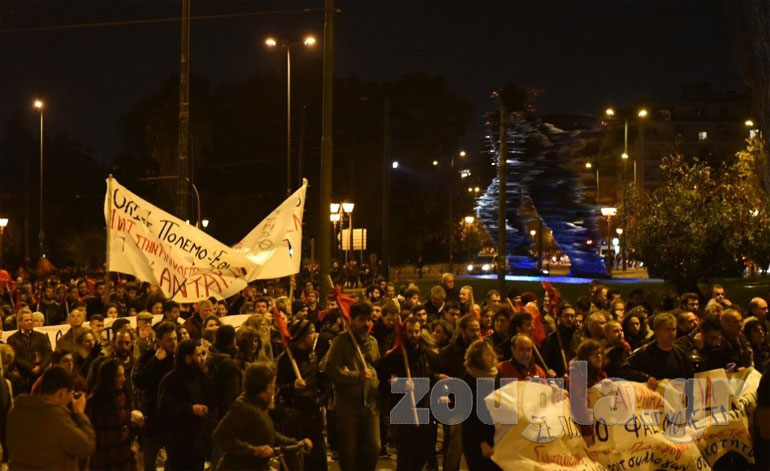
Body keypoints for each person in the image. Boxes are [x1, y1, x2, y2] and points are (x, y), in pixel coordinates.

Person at [213, 362, 312, 471]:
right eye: (273, 383)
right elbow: (220, 435)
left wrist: (296, 443)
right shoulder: (244, 407)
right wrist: (255, 450)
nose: (274, 387)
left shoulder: (260, 406)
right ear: (267, 387)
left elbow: (268, 433)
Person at [378, 316, 443, 471]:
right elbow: (383, 382)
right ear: (404, 332)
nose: (413, 335)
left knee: (425, 451)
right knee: (406, 455)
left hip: (426, 410)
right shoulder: (394, 357)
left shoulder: (430, 356)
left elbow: (435, 376)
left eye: (416, 331)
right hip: (403, 411)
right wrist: (399, 384)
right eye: (409, 331)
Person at [322, 302, 380, 471]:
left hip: (370, 404)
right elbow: (330, 370)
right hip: (348, 405)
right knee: (349, 449)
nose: (366, 324)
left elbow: (375, 365)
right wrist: (355, 376)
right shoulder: (341, 341)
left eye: (369, 320)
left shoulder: (372, 341)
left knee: (373, 447)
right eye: (361, 320)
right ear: (352, 320)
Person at [7, 366, 95, 471]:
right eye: (70, 394)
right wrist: (80, 414)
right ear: (62, 393)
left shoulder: (17, 410)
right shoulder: (56, 417)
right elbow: (86, 447)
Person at [275, 319, 327, 471]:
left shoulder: (313, 357)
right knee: (295, 459)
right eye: (311, 333)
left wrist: (321, 400)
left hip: (313, 414)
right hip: (294, 416)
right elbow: (277, 389)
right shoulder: (286, 360)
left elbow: (322, 383)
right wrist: (292, 387)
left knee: (316, 459)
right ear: (301, 336)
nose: (315, 335)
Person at [157, 339, 215, 471]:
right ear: (188, 358)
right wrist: (190, 409)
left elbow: (211, 401)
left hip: (198, 441)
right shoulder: (171, 380)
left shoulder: (200, 376)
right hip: (180, 444)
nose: (202, 358)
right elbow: (164, 409)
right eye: (198, 355)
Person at [438, 314, 481, 471]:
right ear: (462, 330)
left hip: (480, 401)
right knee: (457, 444)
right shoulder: (448, 353)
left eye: (478, 330)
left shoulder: (481, 350)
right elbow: (441, 375)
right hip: (457, 402)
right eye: (472, 330)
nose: (476, 334)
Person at [133, 321, 177, 471]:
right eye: (169, 339)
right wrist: (155, 361)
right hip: (153, 416)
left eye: (175, 339)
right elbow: (139, 380)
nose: (173, 343)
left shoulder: (177, 357)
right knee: (150, 460)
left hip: (172, 416)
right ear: (158, 340)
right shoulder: (148, 357)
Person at [620, 313, 694, 390]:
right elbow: (624, 369)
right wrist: (646, 378)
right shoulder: (645, 352)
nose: (671, 333)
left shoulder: (680, 354)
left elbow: (690, 378)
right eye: (667, 330)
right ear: (657, 332)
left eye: (673, 329)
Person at [86, 359, 136, 471]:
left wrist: (136, 425)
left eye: (123, 375)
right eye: (119, 376)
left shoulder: (124, 396)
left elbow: (128, 426)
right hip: (104, 457)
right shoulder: (95, 400)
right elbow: (90, 431)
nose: (123, 379)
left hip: (123, 455)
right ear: (108, 378)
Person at [460, 339, 501, 471]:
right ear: (477, 358)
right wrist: (482, 442)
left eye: (491, 353)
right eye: (487, 355)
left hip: (495, 435)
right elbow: (470, 416)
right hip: (476, 439)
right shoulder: (469, 379)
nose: (492, 357)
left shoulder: (496, 375)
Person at [206, 325, 242, 421]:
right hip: (226, 416)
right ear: (233, 340)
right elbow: (232, 396)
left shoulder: (210, 355)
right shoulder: (229, 364)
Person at [543, 304, 581, 377]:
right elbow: (547, 363)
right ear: (560, 318)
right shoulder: (552, 338)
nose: (569, 319)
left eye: (572, 316)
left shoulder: (579, 336)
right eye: (566, 316)